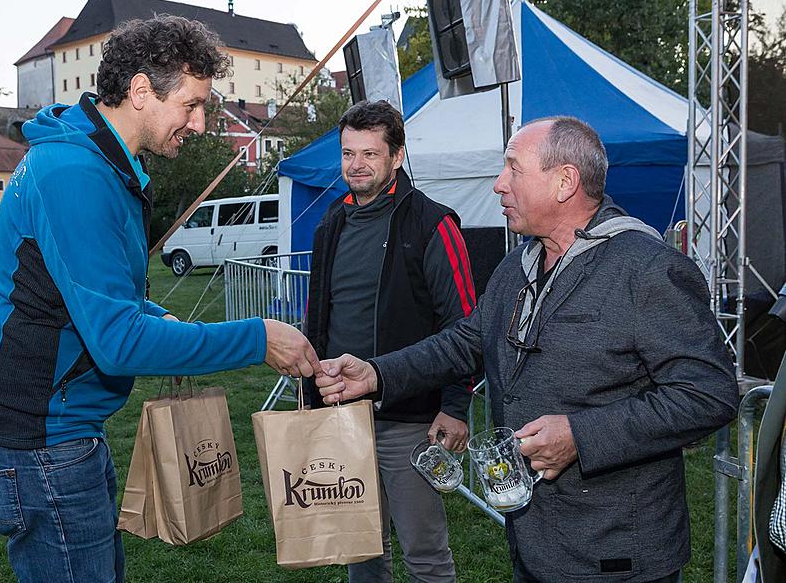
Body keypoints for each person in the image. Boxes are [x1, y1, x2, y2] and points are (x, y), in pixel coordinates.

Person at [0, 16, 319, 583]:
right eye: (193, 104)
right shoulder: (74, 172)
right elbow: (118, 341)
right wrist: (258, 337)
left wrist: (160, 315)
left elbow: (94, 295)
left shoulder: (102, 164)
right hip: (35, 440)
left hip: (65, 430)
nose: (200, 123)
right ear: (142, 90)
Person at [315, 117, 739, 582]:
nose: (498, 185)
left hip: (617, 552)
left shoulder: (645, 268)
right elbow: (464, 343)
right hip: (535, 543)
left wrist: (581, 435)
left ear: (564, 182)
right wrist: (375, 374)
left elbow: (708, 394)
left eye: (513, 169)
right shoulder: (517, 265)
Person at [303, 100, 475, 583]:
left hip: (410, 417)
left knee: (424, 551)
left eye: (369, 154)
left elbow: (466, 326)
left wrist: (456, 405)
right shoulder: (330, 222)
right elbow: (322, 311)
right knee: (361, 546)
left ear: (397, 156)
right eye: (347, 153)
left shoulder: (432, 223)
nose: (355, 165)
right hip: (341, 413)